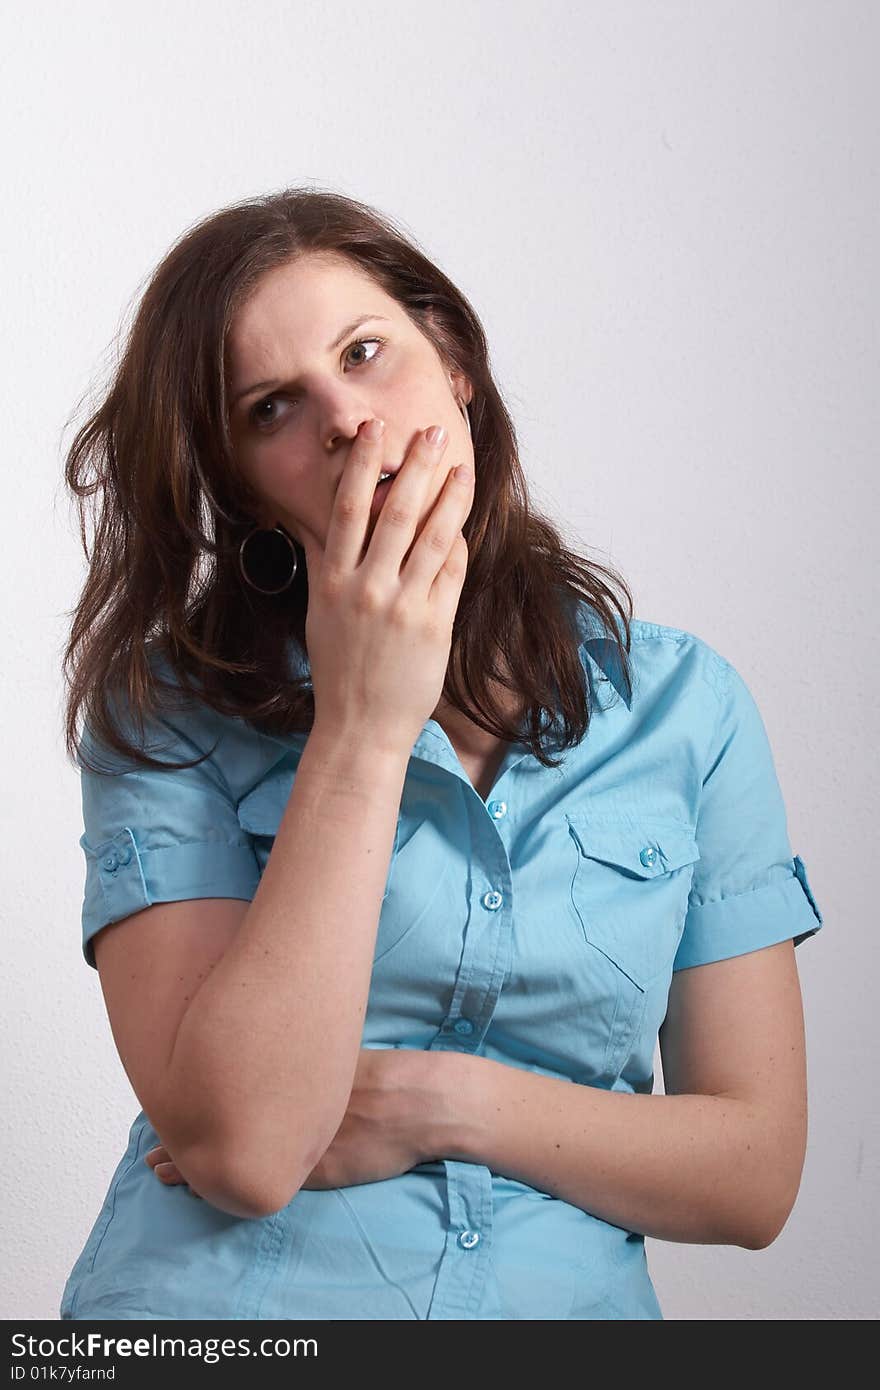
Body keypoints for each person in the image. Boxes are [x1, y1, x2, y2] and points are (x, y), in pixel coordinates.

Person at [58, 187, 825, 1321]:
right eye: (275, 406)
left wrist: (437, 1102)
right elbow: (247, 1150)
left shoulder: (684, 707)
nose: (348, 421)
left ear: (453, 357)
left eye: (366, 353)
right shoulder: (163, 709)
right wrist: (363, 725)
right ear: (240, 489)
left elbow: (754, 1175)